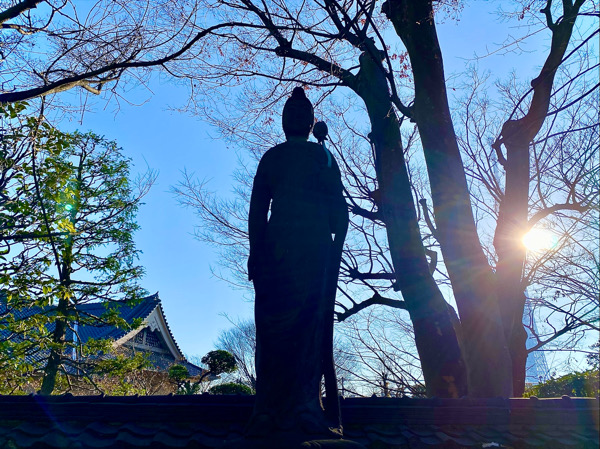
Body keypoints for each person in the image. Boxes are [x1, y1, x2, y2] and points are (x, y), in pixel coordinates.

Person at [247, 87, 348, 440]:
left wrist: (257, 251)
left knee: (303, 328)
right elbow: (258, 211)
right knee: (283, 328)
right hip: (295, 249)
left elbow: (258, 214)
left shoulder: (311, 157)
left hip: (294, 249)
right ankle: (273, 408)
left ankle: (298, 407)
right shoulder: (314, 157)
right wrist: (256, 252)